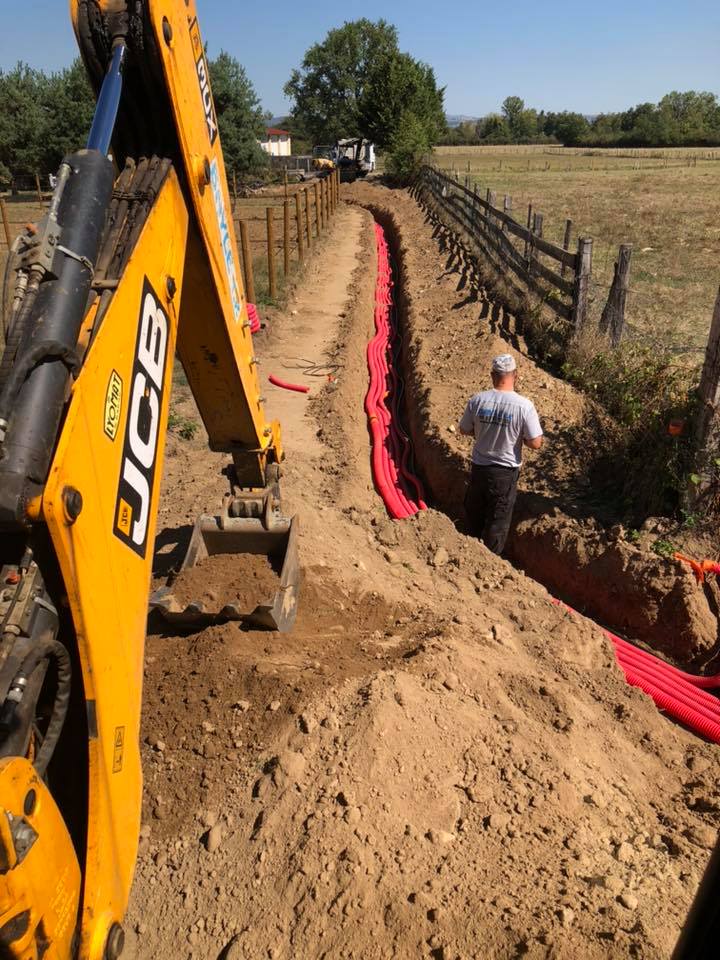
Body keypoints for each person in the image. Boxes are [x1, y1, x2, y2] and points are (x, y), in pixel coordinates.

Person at [459, 353, 543, 554]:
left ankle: (467, 554)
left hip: (479, 469)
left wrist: (481, 432)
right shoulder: (524, 406)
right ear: (515, 375)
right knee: (497, 522)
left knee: (474, 516)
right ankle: (489, 562)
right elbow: (535, 442)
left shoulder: (477, 400)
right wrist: (516, 436)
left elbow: (464, 429)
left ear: (492, 375)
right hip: (504, 474)